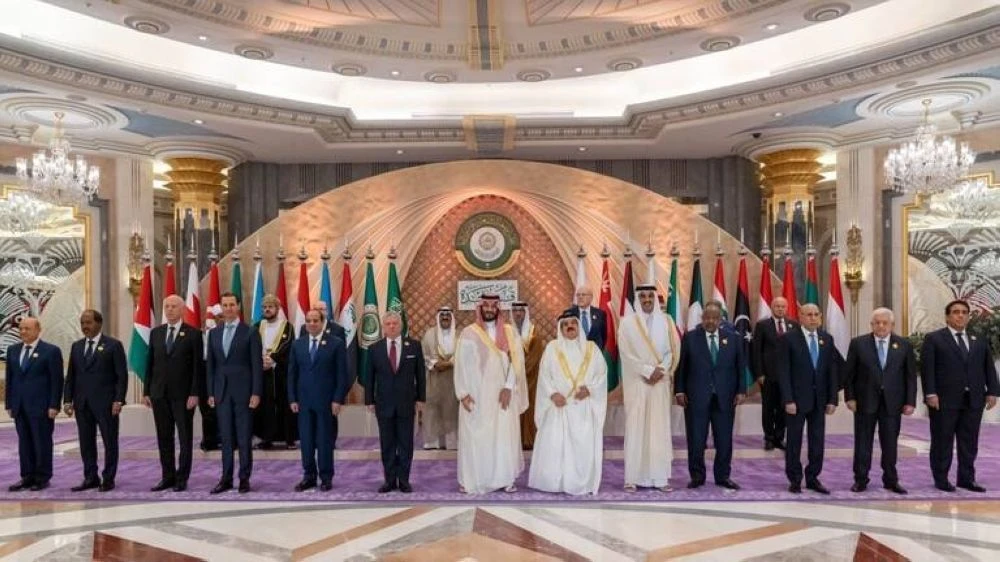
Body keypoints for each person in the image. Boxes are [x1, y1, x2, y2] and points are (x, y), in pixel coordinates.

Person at [921, 299, 1000, 492]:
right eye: (956, 312)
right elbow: (927, 369)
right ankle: (941, 479)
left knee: (969, 442)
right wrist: (930, 393)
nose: (960, 315)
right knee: (942, 441)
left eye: (964, 312)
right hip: (943, 400)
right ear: (947, 316)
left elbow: (988, 368)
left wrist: (992, 392)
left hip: (973, 400)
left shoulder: (978, 340)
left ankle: (966, 479)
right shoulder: (934, 339)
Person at [454, 294, 528, 494]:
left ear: (498, 308)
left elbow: (517, 362)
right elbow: (460, 365)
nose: (489, 309)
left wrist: (509, 387)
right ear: (480, 308)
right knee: (476, 437)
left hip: (502, 394)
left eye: (493, 305)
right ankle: (474, 479)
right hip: (476, 395)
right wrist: (463, 393)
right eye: (485, 305)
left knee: (503, 437)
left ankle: (505, 479)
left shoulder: (510, 332)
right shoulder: (469, 333)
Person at [528, 310, 608, 495]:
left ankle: (580, 483)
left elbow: (602, 374)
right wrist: (553, 394)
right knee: (555, 447)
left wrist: (590, 390)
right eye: (565, 324)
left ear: (579, 326)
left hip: (583, 407)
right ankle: (554, 483)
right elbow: (544, 375)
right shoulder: (552, 348)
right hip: (559, 407)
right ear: (560, 328)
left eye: (573, 323)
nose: (569, 326)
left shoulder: (591, 348)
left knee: (581, 448)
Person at [843, 308, 917, 494]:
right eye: (877, 323)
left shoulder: (904, 345)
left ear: (892, 325)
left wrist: (910, 401)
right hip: (865, 401)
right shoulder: (858, 344)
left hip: (893, 403)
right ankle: (861, 479)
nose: (881, 326)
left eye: (885, 323)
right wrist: (850, 397)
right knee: (863, 443)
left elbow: (910, 376)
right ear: (872, 324)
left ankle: (891, 480)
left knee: (890, 443)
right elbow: (849, 375)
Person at [676, 300, 747, 490]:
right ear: (702, 318)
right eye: (707, 317)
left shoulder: (733, 338)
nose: (710, 321)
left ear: (721, 319)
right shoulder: (690, 338)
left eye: (715, 318)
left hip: (725, 398)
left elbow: (740, 367)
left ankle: (723, 476)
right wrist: (679, 390)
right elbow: (682, 367)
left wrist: (741, 390)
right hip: (696, 398)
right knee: (696, 440)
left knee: (724, 441)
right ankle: (697, 476)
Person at [618, 284, 680, 492]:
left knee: (658, 430)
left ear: (655, 298)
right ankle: (632, 478)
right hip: (638, 383)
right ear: (638, 299)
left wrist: (661, 370)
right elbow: (626, 354)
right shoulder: (627, 324)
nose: (647, 299)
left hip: (659, 383)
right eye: (643, 296)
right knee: (636, 429)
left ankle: (660, 478)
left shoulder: (667, 321)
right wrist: (647, 371)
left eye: (650, 296)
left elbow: (673, 350)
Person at [63, 310, 128, 492]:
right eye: (82, 323)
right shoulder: (77, 346)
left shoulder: (113, 345)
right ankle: (90, 477)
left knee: (109, 441)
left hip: (106, 404)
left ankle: (108, 478)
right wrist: (67, 400)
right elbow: (71, 376)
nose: (85, 326)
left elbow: (121, 376)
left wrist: (119, 400)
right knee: (86, 443)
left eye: (89, 322)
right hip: (82, 404)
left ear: (99, 323)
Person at [144, 295, 203, 492]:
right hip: (159, 393)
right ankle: (167, 476)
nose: (169, 310)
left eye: (174, 306)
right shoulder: (156, 333)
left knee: (185, 438)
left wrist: (195, 393)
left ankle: (182, 478)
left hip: (184, 396)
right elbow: (150, 363)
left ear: (182, 309)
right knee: (164, 437)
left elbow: (197, 367)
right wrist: (146, 391)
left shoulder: (193, 334)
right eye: (167, 306)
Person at [778, 303, 839, 494]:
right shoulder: (788, 339)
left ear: (820, 317)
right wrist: (788, 399)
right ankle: (795, 479)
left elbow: (832, 371)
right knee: (794, 441)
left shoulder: (826, 339)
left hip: (819, 400)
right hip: (796, 401)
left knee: (817, 440)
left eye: (816, 314)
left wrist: (832, 399)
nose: (813, 318)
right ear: (800, 317)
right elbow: (783, 372)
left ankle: (813, 477)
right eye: (808, 314)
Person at [206, 292, 263, 494]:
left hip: (244, 393)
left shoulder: (250, 332)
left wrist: (256, 392)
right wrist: (211, 392)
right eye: (225, 305)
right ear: (221, 308)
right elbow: (211, 366)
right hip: (221, 392)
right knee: (226, 438)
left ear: (238, 306)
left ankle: (244, 478)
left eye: (232, 304)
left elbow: (256, 365)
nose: (228, 308)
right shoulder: (214, 333)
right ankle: (226, 478)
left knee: (244, 437)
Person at [288, 309, 350, 491]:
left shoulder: (336, 343)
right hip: (304, 402)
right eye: (308, 321)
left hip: (326, 402)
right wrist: (292, 398)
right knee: (306, 441)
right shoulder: (297, 344)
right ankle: (308, 476)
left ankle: (326, 477)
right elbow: (292, 374)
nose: (312, 324)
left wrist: (338, 399)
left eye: (315, 320)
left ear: (322, 322)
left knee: (324, 441)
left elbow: (342, 374)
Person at [365, 311, 426, 493]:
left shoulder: (414, 346)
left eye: (395, 323)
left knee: (406, 443)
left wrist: (421, 398)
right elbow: (369, 378)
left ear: (401, 325)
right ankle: (389, 480)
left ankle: (404, 480)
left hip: (406, 403)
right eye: (388, 324)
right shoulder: (374, 349)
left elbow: (420, 375)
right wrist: (369, 400)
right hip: (383, 404)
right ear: (383, 327)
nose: (392, 326)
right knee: (387, 444)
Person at [6, 317, 63, 492]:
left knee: (41, 442)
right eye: (21, 328)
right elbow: (10, 379)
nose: (23, 332)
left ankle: (42, 477)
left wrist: (54, 405)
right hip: (19, 406)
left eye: (27, 328)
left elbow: (57, 380)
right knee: (24, 443)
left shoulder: (50, 351)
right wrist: (9, 403)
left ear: (38, 330)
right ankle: (27, 476)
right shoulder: (13, 350)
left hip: (42, 407)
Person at [751, 296, 796, 451]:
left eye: (783, 306)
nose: (780, 309)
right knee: (769, 408)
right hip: (768, 376)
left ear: (787, 308)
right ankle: (769, 438)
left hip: (788, 377)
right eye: (777, 306)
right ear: (772, 308)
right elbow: (756, 351)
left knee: (784, 407)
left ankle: (779, 437)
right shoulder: (762, 325)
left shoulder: (793, 325)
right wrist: (759, 374)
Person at [254, 295, 296, 450]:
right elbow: (253, 346)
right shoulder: (257, 326)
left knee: (285, 404)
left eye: (270, 307)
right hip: (263, 371)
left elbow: (287, 344)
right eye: (265, 307)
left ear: (277, 309)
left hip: (281, 371)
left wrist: (272, 358)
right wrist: (261, 361)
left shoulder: (287, 326)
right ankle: (267, 438)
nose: (267, 310)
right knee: (266, 406)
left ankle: (289, 439)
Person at [420, 306, 458, 450]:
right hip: (434, 378)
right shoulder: (429, 334)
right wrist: (436, 364)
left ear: (452, 317)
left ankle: (452, 442)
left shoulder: (459, 335)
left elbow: (464, 354)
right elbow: (423, 355)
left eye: (448, 315)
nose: (445, 318)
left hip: (453, 379)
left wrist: (450, 363)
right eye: (442, 315)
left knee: (452, 410)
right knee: (432, 410)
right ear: (438, 317)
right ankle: (432, 442)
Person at [511, 301, 544, 449]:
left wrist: (520, 372)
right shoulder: (507, 332)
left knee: (529, 407)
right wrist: (511, 374)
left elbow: (535, 356)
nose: (518, 314)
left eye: (521, 311)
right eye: (515, 311)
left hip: (530, 378)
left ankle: (528, 440)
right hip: (510, 379)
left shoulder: (534, 332)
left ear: (525, 313)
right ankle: (513, 439)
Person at [570, 285, 607, 350]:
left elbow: (604, 335)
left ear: (591, 298)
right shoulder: (569, 314)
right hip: (575, 352)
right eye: (578, 295)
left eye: (583, 295)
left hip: (594, 352)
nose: (580, 297)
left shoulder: (600, 314)